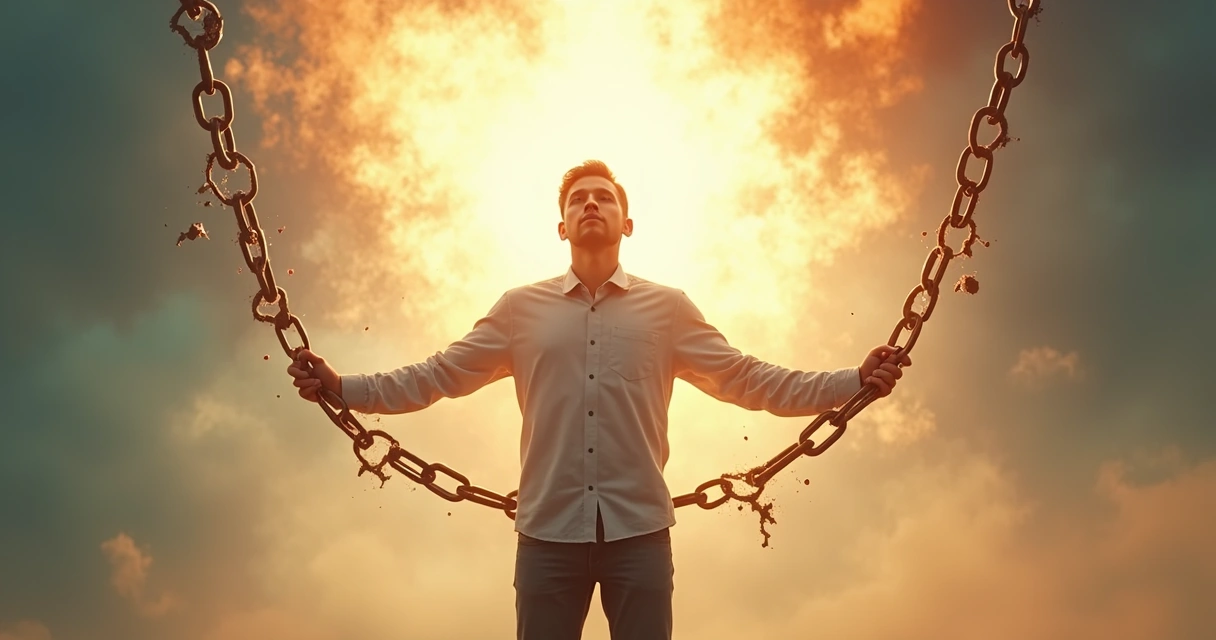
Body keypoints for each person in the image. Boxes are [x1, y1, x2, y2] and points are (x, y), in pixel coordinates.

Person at [286, 159, 911, 640]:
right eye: (578, 199)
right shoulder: (518, 310)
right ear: (561, 226)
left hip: (640, 536)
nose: (591, 203)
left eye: (604, 197)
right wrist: (343, 387)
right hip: (546, 539)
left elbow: (748, 378)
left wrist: (850, 380)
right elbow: (438, 374)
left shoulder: (668, 309)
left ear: (627, 224)